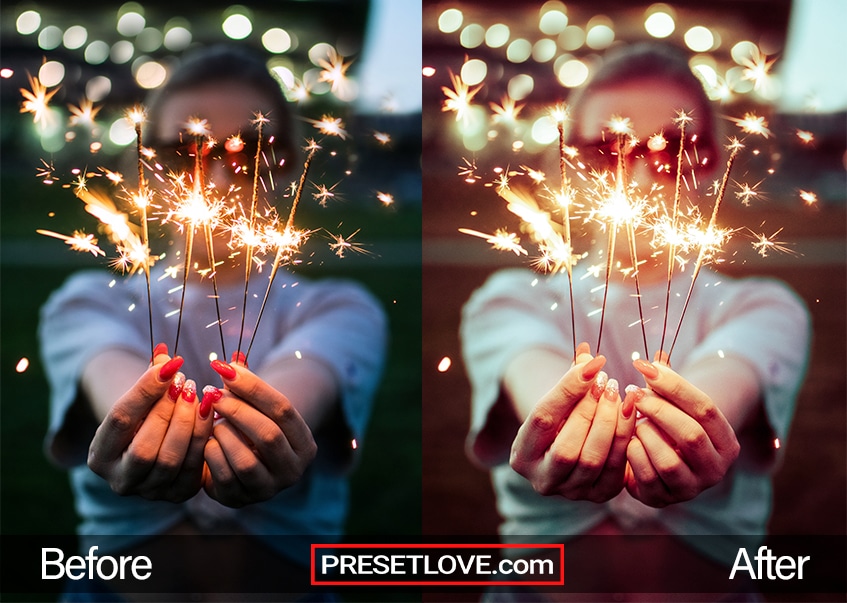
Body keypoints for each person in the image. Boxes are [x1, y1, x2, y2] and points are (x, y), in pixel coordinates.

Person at [460, 42, 810, 600]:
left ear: (713, 159)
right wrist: (563, 433)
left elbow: (709, 404)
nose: (645, 176)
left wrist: (677, 437)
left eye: (674, 147)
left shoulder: (763, 307)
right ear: (567, 164)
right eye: (608, 149)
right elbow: (543, 393)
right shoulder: (509, 301)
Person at [39, 44, 387, 600]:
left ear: (290, 163)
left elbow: (270, 422)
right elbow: (129, 410)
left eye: (251, 152)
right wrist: (144, 436)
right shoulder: (86, 305)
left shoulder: (339, 309)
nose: (221, 178)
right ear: (145, 168)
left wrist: (242, 439)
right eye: (186, 152)